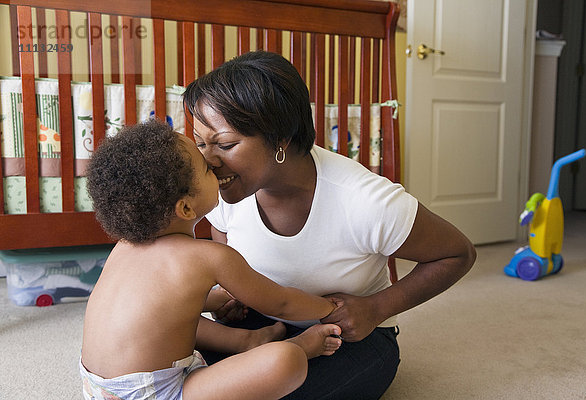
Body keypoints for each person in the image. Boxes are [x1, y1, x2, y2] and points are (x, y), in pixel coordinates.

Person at [182, 50, 477, 399]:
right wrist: (236, 290)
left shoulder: (366, 201)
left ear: (280, 139)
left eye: (226, 144)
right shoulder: (225, 185)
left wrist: (376, 308)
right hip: (261, 324)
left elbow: (458, 254)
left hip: (347, 336)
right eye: (201, 143)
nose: (208, 161)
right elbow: (224, 230)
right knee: (175, 368)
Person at [80, 120, 343, 400]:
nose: (215, 166)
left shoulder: (124, 247)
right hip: (160, 394)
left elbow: (152, 306)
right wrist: (328, 306)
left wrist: (211, 300)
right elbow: (280, 302)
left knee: (172, 321)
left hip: (98, 390)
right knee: (285, 360)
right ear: (185, 206)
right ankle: (301, 346)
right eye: (206, 169)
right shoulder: (210, 256)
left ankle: (248, 340)